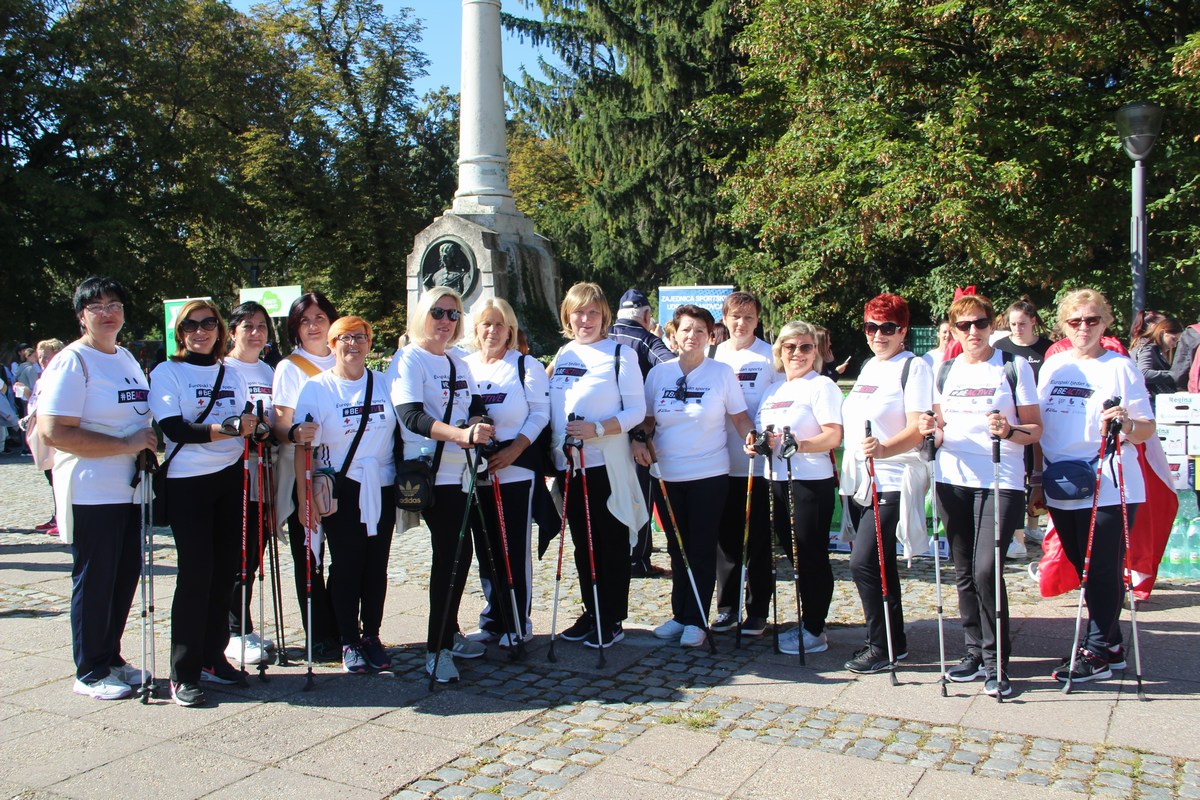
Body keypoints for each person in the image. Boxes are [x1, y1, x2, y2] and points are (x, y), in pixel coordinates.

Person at [38, 278, 156, 700]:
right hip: (92, 490)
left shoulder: (124, 356)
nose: (107, 313)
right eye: (97, 306)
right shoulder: (72, 362)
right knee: (95, 580)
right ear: (81, 316)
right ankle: (89, 670)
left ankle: (110, 656)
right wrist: (126, 444)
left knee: (123, 578)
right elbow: (55, 431)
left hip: (129, 489)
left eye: (114, 304)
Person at [919, 293, 1041, 698]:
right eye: (964, 325)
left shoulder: (1013, 367)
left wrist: (1009, 430)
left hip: (999, 478)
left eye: (981, 323)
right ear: (953, 330)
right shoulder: (945, 369)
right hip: (952, 477)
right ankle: (973, 651)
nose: (973, 331)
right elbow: (940, 425)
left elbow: (1035, 430)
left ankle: (996, 660)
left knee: (987, 568)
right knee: (964, 571)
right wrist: (930, 429)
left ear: (992, 325)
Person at [1034, 289, 1155, 683]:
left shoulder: (1120, 367)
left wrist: (1126, 423)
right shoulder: (1053, 366)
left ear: (1106, 323)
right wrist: (1036, 479)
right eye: (1075, 321)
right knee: (1081, 567)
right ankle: (1113, 645)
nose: (1083, 327)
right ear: (1063, 325)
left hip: (1109, 482)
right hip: (1061, 482)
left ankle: (1096, 652)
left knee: (1102, 568)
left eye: (1092, 320)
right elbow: (1039, 425)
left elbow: (1146, 428)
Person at [149, 300, 258, 707]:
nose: (200, 331)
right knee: (196, 574)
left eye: (208, 323)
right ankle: (184, 671)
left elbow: (246, 419)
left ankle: (214, 657)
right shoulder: (167, 371)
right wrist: (228, 429)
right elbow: (174, 428)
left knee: (226, 573)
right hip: (188, 482)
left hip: (229, 479)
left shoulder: (231, 373)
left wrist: (256, 427)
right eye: (191, 325)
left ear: (219, 329)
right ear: (180, 333)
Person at [389, 287, 495, 683]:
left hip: (463, 471)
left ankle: (449, 633)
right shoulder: (408, 358)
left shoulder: (458, 361)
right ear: (423, 314)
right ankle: (436, 650)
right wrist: (461, 435)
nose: (446, 321)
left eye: (453, 314)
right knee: (452, 556)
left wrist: (480, 422)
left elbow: (475, 405)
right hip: (430, 472)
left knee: (460, 556)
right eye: (438, 312)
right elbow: (410, 415)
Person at [632, 305, 753, 648]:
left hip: (709, 473)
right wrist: (639, 439)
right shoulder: (659, 374)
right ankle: (680, 614)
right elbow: (647, 419)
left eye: (700, 330)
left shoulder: (721, 373)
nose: (693, 336)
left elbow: (740, 417)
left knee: (700, 548)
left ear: (711, 336)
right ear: (674, 334)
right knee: (676, 547)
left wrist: (751, 435)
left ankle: (697, 619)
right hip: (667, 473)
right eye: (686, 329)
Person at [295, 316, 397, 675]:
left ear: (369, 343)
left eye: (360, 337)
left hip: (381, 484)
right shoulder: (317, 388)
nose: (353, 344)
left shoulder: (383, 382)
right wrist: (304, 498)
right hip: (341, 488)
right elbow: (303, 446)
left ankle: (372, 635)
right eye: (344, 338)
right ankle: (348, 639)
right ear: (332, 344)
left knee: (376, 565)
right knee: (347, 565)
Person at [549, 282, 648, 649]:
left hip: (605, 464)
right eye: (578, 312)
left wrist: (599, 429)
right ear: (567, 316)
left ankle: (612, 617)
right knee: (582, 545)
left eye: (593, 312)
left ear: (605, 315)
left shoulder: (621, 354)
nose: (585, 319)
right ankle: (591, 611)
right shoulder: (564, 353)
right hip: (569, 465)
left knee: (610, 542)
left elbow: (636, 410)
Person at [840, 294, 931, 673]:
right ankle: (894, 642)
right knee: (879, 564)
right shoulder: (869, 367)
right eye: (871, 327)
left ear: (903, 330)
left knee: (863, 563)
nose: (878, 335)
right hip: (861, 479)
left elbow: (918, 429)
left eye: (888, 328)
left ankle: (880, 645)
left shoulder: (913, 368)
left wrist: (884, 448)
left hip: (893, 478)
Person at [752, 321, 844, 656]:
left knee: (810, 554)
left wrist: (800, 445)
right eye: (790, 347)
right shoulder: (773, 390)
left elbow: (834, 435)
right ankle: (808, 621)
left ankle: (815, 628)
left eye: (805, 347)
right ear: (779, 351)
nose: (797, 354)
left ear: (815, 351)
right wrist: (757, 443)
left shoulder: (821, 386)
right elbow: (762, 432)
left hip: (809, 481)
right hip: (774, 479)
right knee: (793, 555)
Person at [464, 297, 550, 646]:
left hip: (516, 468)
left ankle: (518, 621)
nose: (493, 330)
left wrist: (515, 449)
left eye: (500, 324)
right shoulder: (463, 366)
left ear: (510, 329)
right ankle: (493, 619)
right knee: (486, 549)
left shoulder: (526, 365)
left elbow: (540, 414)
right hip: (477, 469)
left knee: (513, 548)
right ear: (476, 328)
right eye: (486, 323)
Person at [271, 292, 340, 656]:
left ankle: (344, 624)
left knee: (343, 554)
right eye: (304, 321)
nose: (313, 326)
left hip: (343, 469)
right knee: (309, 553)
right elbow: (281, 423)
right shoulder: (290, 367)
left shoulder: (344, 356)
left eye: (319, 318)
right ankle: (319, 632)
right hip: (305, 470)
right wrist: (297, 432)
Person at [711, 291, 782, 637]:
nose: (741, 323)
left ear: (758, 321)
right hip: (718, 463)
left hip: (757, 466)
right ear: (725, 318)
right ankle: (727, 608)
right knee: (725, 542)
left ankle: (757, 610)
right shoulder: (713, 354)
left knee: (757, 542)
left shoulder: (769, 356)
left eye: (749, 317)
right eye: (735, 317)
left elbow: (781, 402)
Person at [222, 301, 277, 666]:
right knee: (238, 553)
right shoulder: (223, 368)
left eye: (261, 326)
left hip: (265, 470)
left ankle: (242, 625)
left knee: (254, 552)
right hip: (233, 471)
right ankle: (233, 630)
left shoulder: (269, 370)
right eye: (247, 326)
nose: (256, 333)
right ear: (232, 332)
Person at [607, 288, 675, 578]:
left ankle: (614, 555)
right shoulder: (646, 339)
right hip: (638, 430)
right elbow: (672, 366)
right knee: (640, 495)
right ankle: (638, 560)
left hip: (604, 430)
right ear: (646, 316)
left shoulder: (602, 336)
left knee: (611, 493)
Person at [994, 299, 1055, 557]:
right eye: (1013, 324)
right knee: (1017, 477)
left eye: (1022, 324)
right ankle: (1016, 535)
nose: (1017, 329)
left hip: (1040, 419)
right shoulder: (1000, 347)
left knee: (1038, 474)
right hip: (1012, 425)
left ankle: (1033, 524)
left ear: (1033, 322)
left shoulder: (1047, 349)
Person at [23, 338, 66, 533]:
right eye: (40, 357)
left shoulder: (61, 377)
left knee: (59, 475)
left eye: (46, 357)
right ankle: (58, 516)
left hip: (57, 434)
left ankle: (63, 518)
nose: (42, 361)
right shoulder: (43, 378)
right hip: (40, 431)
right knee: (51, 476)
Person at [1131, 314, 1182, 401]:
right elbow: (1143, 373)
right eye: (1173, 339)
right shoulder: (1148, 347)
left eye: (1177, 342)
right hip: (1147, 399)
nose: (1174, 345)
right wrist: (1173, 375)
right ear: (1162, 333)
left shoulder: (1149, 347)